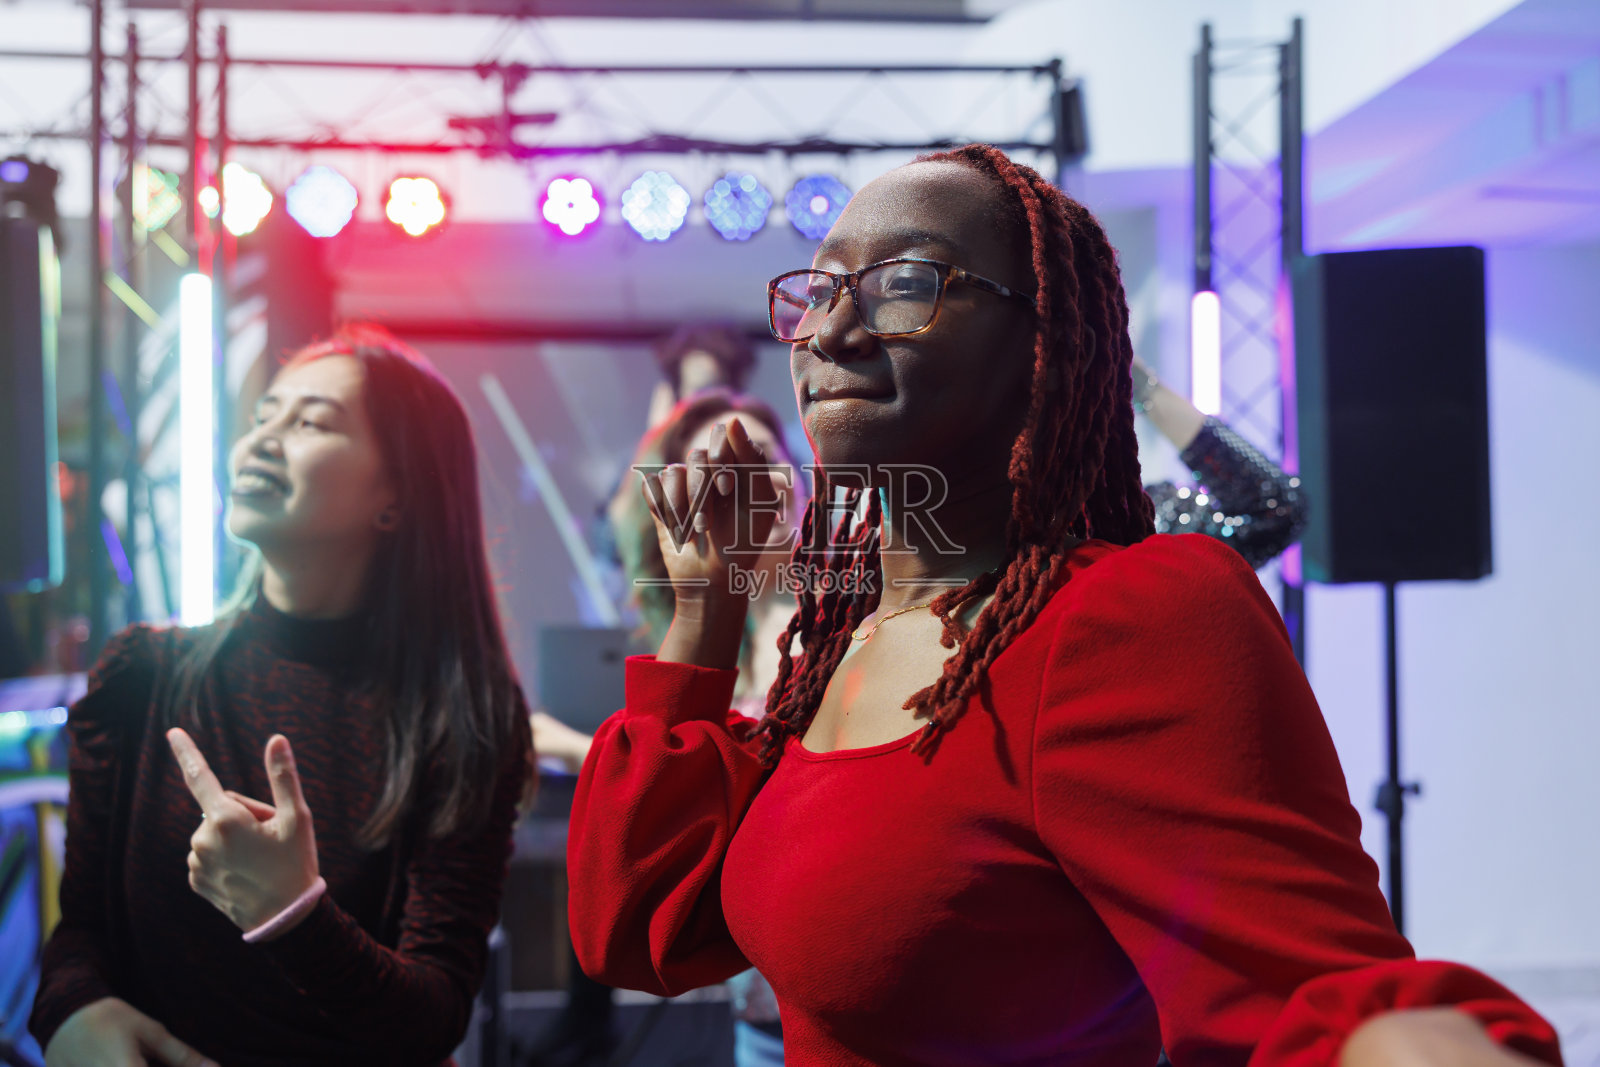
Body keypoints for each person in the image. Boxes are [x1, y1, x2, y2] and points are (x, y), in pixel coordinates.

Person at [564, 145, 1561, 1066]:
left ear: (1046, 341)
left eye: (903, 282)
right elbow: (634, 924)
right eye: (818, 289)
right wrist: (703, 616)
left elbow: (1321, 986)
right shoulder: (842, 641)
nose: (828, 328)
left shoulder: (1129, 613)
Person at [31, 325, 534, 1067]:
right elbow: (80, 938)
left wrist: (292, 913)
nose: (261, 441)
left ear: (395, 494)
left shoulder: (464, 721)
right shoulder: (140, 675)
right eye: (265, 415)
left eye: (310, 422)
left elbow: (433, 1016)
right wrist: (73, 1014)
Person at [534, 388, 799, 1067]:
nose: (741, 484)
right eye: (715, 471)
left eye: (762, 457)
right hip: (761, 1012)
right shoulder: (701, 640)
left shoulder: (860, 612)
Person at [1131, 354, 1308, 569]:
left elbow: (1279, 512)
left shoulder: (1136, 519)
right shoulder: (1139, 524)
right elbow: (1280, 512)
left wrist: (1136, 383)